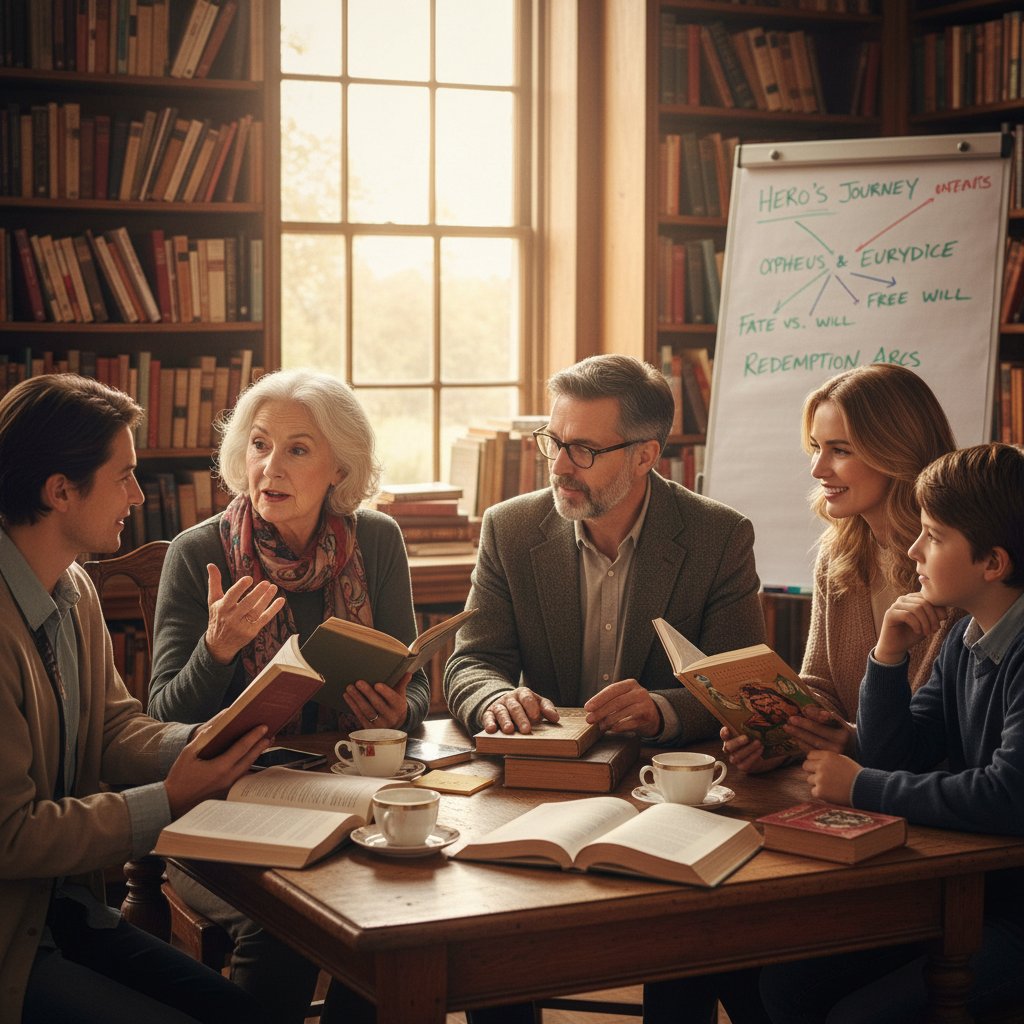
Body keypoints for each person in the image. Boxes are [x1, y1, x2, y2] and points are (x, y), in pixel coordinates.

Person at [443, 353, 766, 1024]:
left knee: (688, 942)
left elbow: (743, 684)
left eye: (584, 449)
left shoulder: (719, 536)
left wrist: (662, 712)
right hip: (544, 788)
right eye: (554, 442)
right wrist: (494, 698)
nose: (558, 465)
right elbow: (470, 664)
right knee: (487, 938)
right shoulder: (510, 527)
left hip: (666, 793)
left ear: (646, 455)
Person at [147, 367, 432, 1024]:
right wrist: (217, 649)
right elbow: (165, 718)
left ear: (339, 468)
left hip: (348, 792)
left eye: (298, 449)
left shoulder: (378, 540)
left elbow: (412, 685)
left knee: (398, 910)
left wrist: (400, 711)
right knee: (283, 926)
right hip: (224, 800)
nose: (270, 466)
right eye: (259, 443)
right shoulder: (198, 554)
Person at [0, 373, 272, 1024]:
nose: (137, 494)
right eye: (123, 475)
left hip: (68, 913)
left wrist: (206, 740)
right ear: (59, 491)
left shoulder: (75, 588)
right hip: (15, 945)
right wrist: (172, 798)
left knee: (244, 1015)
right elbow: (11, 838)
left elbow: (115, 730)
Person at [760, 441, 1024, 1023]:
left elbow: (1008, 797)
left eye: (933, 535)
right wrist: (886, 656)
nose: (913, 549)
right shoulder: (965, 634)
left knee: (857, 1016)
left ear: (993, 563)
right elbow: (895, 752)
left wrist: (860, 788)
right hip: (973, 890)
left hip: (1009, 912)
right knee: (783, 980)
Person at [722, 363, 961, 776]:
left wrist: (855, 740)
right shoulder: (839, 555)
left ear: (896, 453)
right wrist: (781, 737)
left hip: (927, 798)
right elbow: (820, 688)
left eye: (841, 450)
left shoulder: (957, 561)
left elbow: (949, 731)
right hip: (848, 785)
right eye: (816, 447)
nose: (817, 469)